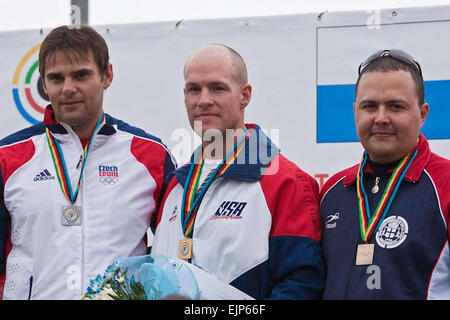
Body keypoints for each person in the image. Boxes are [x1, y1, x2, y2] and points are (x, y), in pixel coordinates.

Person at [0, 25, 175, 299]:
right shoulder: (8, 156)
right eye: (56, 78)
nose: (68, 88)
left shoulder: (150, 155)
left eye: (81, 75)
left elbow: (173, 253)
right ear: (44, 85)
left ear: (107, 76)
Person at [151, 44, 324, 299]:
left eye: (217, 88)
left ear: (245, 95)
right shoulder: (176, 187)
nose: (204, 100)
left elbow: (301, 286)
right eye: (194, 89)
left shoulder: (284, 181)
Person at [320, 49, 450, 299]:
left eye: (395, 106)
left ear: (422, 114)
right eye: (370, 106)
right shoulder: (332, 192)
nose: (381, 118)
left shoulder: (445, 185)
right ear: (356, 111)